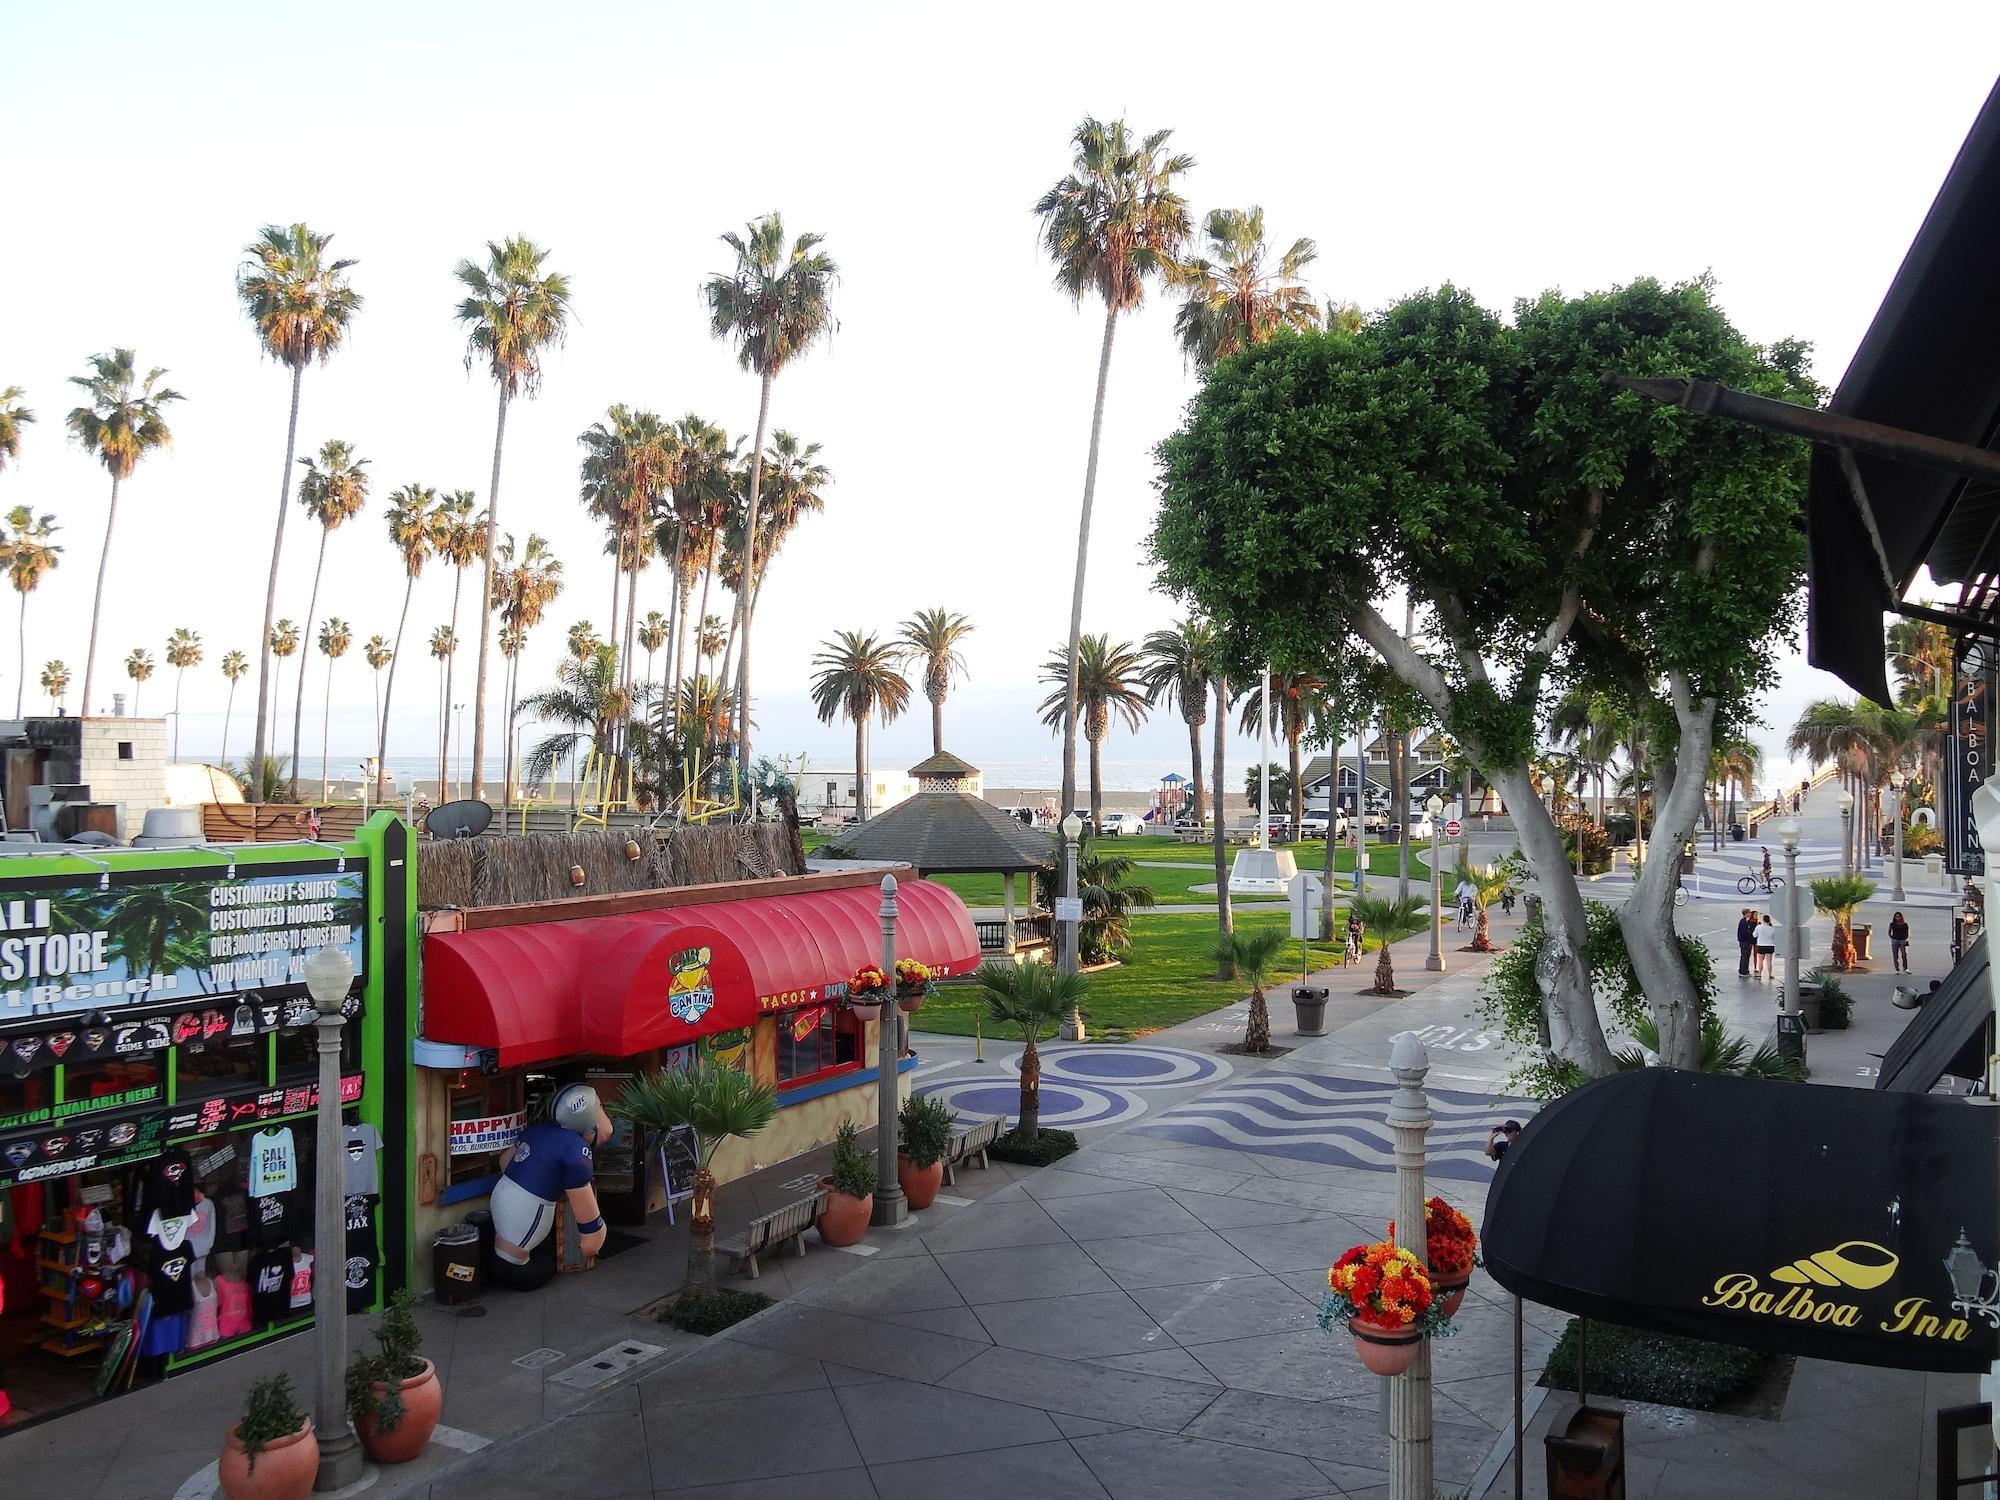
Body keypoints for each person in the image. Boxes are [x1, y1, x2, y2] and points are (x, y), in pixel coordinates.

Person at [491, 1084, 613, 1286]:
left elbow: (505, 1162)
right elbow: (588, 1220)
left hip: (503, 1195)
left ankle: (505, 1260)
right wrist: (593, 1240)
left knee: (532, 1250)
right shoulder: (575, 1152)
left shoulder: (539, 1130)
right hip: (525, 1213)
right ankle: (512, 1266)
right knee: (542, 1267)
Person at [1753, 912, 1777, 980]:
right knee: (1769, 961)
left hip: (1761, 945)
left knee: (1760, 960)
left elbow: (1754, 935)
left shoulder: (1759, 927)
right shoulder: (1772, 928)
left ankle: (1760, 974)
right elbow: (1775, 937)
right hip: (1770, 945)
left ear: (1763, 920)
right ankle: (1770, 975)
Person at [1736, 908, 1757, 977]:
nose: (1750, 914)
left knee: (1745, 956)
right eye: (1749, 913)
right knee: (1745, 956)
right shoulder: (1743, 922)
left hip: (1744, 941)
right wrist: (1751, 937)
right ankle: (1743, 971)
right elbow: (1745, 932)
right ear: (1746, 913)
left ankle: (1744, 970)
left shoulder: (1745, 921)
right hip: (1745, 942)